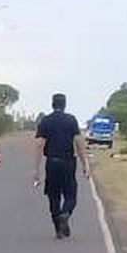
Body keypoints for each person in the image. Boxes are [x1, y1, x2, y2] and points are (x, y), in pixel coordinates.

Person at [32, 92, 89, 239]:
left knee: (53, 196)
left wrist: (36, 170)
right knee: (71, 194)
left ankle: (58, 229)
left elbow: (39, 145)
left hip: (52, 162)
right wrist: (85, 164)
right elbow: (79, 143)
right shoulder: (71, 120)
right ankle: (66, 213)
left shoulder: (45, 121)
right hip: (68, 162)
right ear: (64, 105)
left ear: (52, 104)